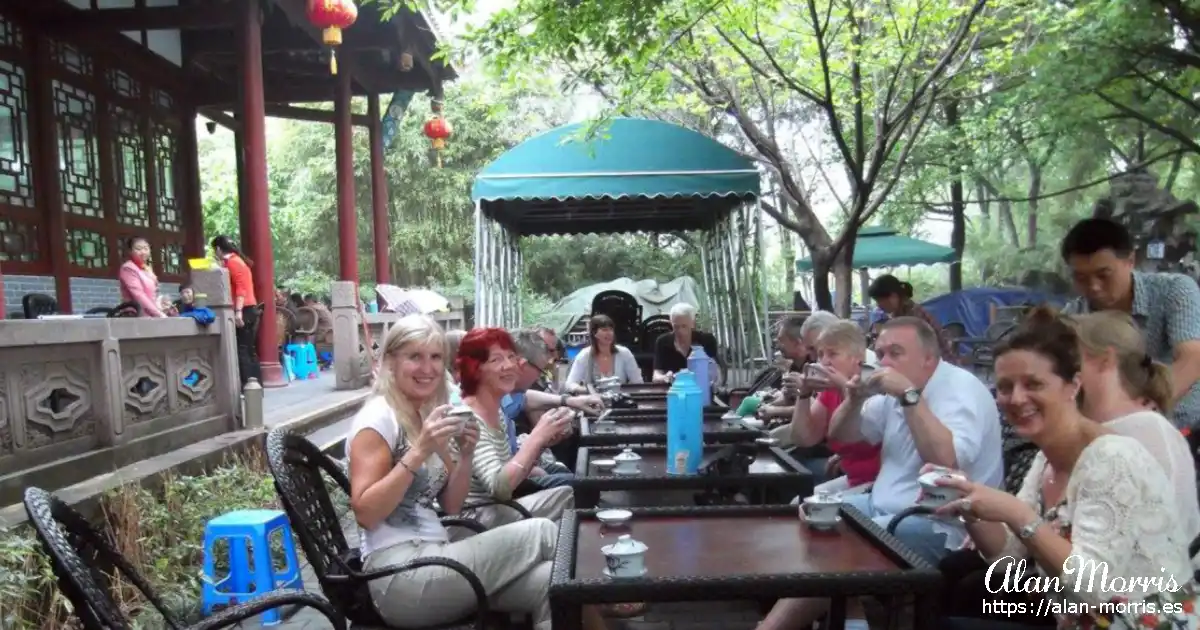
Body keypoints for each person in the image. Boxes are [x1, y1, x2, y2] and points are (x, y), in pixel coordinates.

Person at [932, 307, 1200, 630]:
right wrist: (968, 504)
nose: (1016, 398)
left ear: (1072, 386)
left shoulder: (1111, 457)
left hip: (1143, 622)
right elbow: (1008, 560)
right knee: (948, 598)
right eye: (1005, 387)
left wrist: (1018, 514)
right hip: (1082, 620)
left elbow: (1095, 590)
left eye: (1033, 384)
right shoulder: (1045, 458)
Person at [346, 315, 608, 630]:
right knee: (544, 532)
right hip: (399, 578)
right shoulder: (378, 419)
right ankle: (611, 587)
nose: (428, 369)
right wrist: (419, 453)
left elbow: (451, 506)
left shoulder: (423, 413)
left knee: (552, 580)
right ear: (390, 361)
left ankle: (599, 597)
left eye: (435, 357)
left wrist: (466, 454)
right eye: (415, 357)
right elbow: (365, 513)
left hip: (439, 555)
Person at [758, 316, 1004, 630]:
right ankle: (846, 619)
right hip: (880, 505)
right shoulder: (888, 391)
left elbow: (947, 462)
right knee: (807, 518)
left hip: (939, 523)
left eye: (896, 353)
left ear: (929, 358)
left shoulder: (958, 389)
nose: (884, 361)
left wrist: (909, 396)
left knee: (839, 548)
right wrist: (854, 398)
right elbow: (843, 435)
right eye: (882, 352)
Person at [1060, 217, 1200, 429]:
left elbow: (1192, 357)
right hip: (1106, 430)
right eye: (1081, 278)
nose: (1094, 287)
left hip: (1181, 423)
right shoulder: (1073, 317)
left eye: (1103, 275)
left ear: (1130, 261)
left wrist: (1139, 414)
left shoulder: (1174, 290)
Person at [457, 327, 576, 528]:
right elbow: (500, 488)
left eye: (511, 357)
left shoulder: (497, 409)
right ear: (474, 369)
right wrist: (536, 438)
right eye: (496, 360)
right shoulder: (468, 416)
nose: (510, 366)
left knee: (571, 490)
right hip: (477, 518)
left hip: (500, 506)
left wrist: (541, 444)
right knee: (574, 494)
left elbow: (512, 471)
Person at [781, 321, 882, 491]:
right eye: (820, 355)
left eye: (832, 354)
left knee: (809, 504)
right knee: (797, 501)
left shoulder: (873, 387)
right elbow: (803, 438)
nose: (824, 361)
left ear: (858, 359)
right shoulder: (830, 391)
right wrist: (804, 394)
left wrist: (846, 388)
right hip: (854, 479)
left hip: (878, 484)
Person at [505, 328, 602, 475]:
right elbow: (499, 480)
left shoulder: (511, 392)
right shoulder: (491, 399)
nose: (553, 356)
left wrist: (570, 401)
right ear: (522, 365)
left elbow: (524, 398)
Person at [867, 274, 957, 363]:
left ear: (893, 296)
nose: (878, 305)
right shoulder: (899, 314)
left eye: (879, 300)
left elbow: (911, 349)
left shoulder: (914, 316)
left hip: (937, 364)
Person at [211, 235, 260, 386]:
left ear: (218, 249)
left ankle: (248, 385)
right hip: (249, 308)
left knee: (242, 350)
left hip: (243, 309)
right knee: (249, 349)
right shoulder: (237, 261)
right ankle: (256, 386)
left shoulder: (233, 262)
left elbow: (240, 288)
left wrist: (238, 311)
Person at [565, 314, 643, 391]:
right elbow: (570, 384)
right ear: (594, 333)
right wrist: (587, 391)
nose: (609, 333)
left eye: (611, 329)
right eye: (604, 330)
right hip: (593, 400)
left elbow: (638, 382)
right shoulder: (584, 355)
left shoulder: (624, 353)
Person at [652, 303, 723, 383]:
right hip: (674, 390)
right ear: (671, 323)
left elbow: (715, 374)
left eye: (684, 326)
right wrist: (665, 378)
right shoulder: (662, 342)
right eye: (676, 326)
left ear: (692, 323)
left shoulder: (706, 340)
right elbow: (656, 376)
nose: (680, 331)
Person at [118, 237, 167, 318]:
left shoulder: (147, 268)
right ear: (130, 251)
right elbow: (138, 295)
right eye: (138, 249)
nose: (143, 252)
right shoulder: (128, 268)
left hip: (151, 314)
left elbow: (154, 292)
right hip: (135, 315)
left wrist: (161, 306)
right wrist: (157, 313)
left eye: (146, 248)